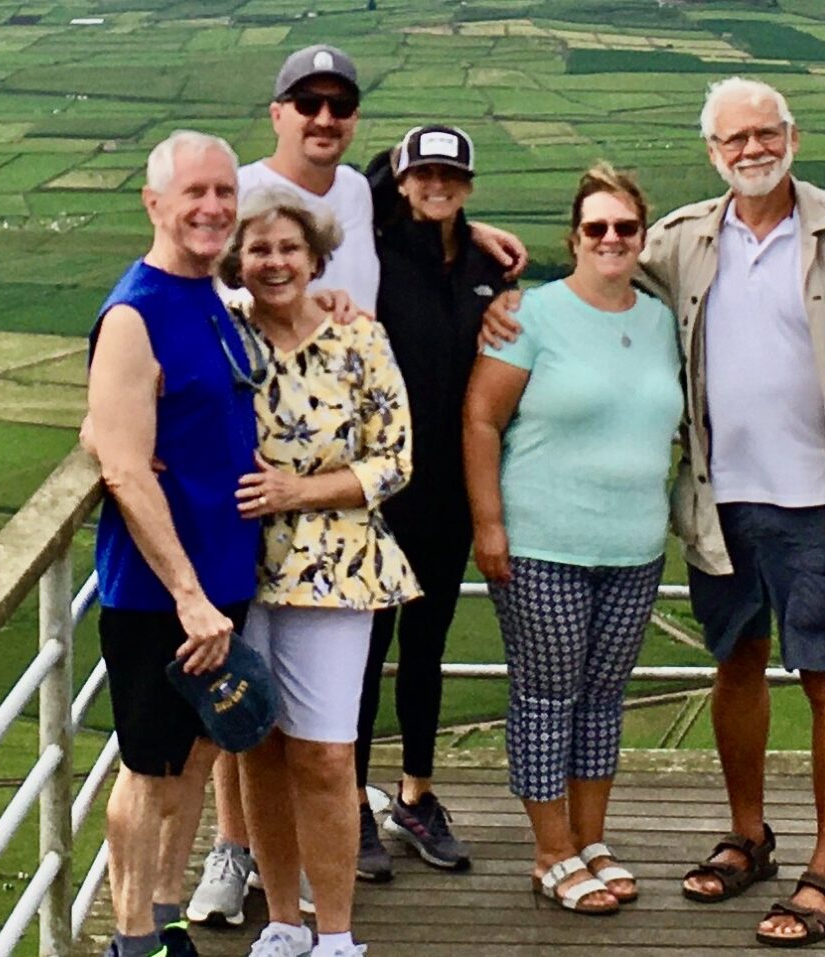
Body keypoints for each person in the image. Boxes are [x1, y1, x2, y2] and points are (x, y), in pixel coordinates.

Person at [482, 76, 825, 947]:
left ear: (792, 137)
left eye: (766, 133)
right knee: (737, 661)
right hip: (720, 501)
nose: (752, 149)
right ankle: (749, 836)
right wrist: (508, 296)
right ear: (713, 152)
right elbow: (596, 269)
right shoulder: (684, 237)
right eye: (735, 140)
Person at [191, 43, 528, 923]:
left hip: (361, 504)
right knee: (250, 714)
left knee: (335, 715)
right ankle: (239, 855)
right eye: (308, 102)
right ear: (278, 111)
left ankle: (352, 845)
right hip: (254, 511)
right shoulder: (243, 185)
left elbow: (417, 188)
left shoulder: (359, 195)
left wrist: (483, 239)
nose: (325, 117)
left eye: (340, 103)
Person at [464, 163, 683, 915]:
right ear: (575, 237)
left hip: (634, 547)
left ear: (642, 237)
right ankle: (550, 850)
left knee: (602, 699)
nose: (612, 238)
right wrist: (489, 523)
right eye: (597, 227)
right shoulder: (531, 316)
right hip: (541, 543)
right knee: (546, 696)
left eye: (625, 226)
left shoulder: (659, 320)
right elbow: (481, 419)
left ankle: (591, 840)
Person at [219, 185, 420, 957]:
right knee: (259, 745)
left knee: (328, 751)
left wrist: (298, 489)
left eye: (289, 249)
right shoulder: (224, 334)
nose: (274, 263)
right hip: (239, 563)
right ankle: (282, 920)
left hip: (338, 566)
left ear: (316, 258)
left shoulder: (358, 338)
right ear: (239, 259)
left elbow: (395, 458)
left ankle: (336, 932)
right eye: (259, 249)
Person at [87, 129, 259, 957]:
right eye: (193, 192)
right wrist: (188, 595)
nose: (212, 207)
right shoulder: (135, 312)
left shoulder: (209, 297)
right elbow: (122, 462)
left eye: (223, 192)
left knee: (195, 755)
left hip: (222, 576)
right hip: (161, 592)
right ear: (154, 203)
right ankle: (129, 939)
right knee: (149, 769)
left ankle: (166, 913)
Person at [352, 125, 510, 881]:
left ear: (468, 185)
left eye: (451, 175)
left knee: (427, 648)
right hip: (378, 495)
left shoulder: (486, 265)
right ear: (404, 180)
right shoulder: (375, 254)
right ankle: (349, 805)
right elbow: (356, 188)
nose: (436, 186)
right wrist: (391, 173)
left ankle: (416, 794)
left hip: (449, 490)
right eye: (423, 174)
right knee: (364, 651)